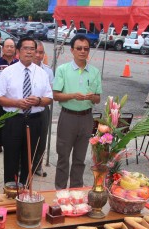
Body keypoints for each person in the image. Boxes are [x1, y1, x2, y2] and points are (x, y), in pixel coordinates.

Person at [0, 37, 53, 186]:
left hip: (35, 120)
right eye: (25, 48)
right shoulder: (8, 72)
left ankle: (26, 189)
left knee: (30, 157)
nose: (29, 52)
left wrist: (38, 101)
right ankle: (10, 190)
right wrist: (16, 103)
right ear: (18, 51)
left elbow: (49, 98)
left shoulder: (42, 73)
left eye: (32, 49)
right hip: (14, 119)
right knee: (11, 157)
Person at [53, 34, 101, 189]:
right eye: (79, 48)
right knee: (63, 157)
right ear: (72, 50)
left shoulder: (94, 72)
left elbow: (98, 98)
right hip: (68, 117)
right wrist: (73, 95)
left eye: (86, 49)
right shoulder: (63, 70)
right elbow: (55, 95)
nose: (83, 51)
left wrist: (92, 97)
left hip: (86, 118)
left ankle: (76, 190)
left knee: (80, 159)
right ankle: (60, 191)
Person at [0, 38, 19, 155]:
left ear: (15, 49)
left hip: (14, 99)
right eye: (7, 46)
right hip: (0, 98)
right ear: (3, 48)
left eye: (11, 46)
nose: (9, 48)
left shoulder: (19, 63)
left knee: (13, 122)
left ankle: (11, 143)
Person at [33, 40, 54, 178]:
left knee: (41, 138)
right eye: (36, 52)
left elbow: (51, 92)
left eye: (41, 52)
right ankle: (23, 165)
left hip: (42, 108)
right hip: (25, 108)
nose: (38, 55)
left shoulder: (47, 71)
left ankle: (37, 166)